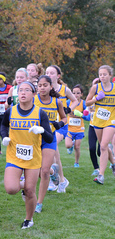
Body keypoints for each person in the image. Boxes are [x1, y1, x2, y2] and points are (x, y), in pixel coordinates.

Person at [0, 81, 54, 229]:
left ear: (33, 94)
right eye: (20, 90)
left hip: (32, 158)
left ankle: (28, 219)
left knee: (30, 191)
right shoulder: (10, 111)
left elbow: (50, 137)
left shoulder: (40, 113)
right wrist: (4, 136)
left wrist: (42, 130)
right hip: (14, 156)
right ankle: (22, 184)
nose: (22, 93)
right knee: (11, 189)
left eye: (27, 90)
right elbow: (3, 125)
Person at [33, 75, 67, 213]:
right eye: (40, 85)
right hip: (34, 139)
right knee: (38, 171)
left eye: (45, 85)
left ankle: (39, 203)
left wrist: (60, 123)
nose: (42, 88)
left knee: (44, 170)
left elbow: (65, 117)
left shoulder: (57, 102)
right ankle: (54, 172)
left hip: (49, 139)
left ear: (51, 86)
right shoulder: (33, 100)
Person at [45, 65, 77, 193]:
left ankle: (56, 179)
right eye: (47, 72)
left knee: (52, 147)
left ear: (58, 76)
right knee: (53, 150)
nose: (48, 74)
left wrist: (68, 109)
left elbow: (75, 101)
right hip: (49, 125)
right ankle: (61, 180)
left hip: (61, 125)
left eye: (51, 73)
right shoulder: (44, 89)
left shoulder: (64, 89)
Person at [86, 65, 115, 185]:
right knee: (104, 147)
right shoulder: (95, 87)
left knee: (103, 146)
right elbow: (87, 102)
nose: (102, 76)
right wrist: (97, 98)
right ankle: (113, 164)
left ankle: (101, 175)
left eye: (104, 74)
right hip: (98, 121)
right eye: (100, 74)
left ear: (110, 75)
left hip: (111, 121)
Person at [65, 84, 86, 167]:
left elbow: (87, 116)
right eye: (73, 93)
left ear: (81, 94)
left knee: (77, 147)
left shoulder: (83, 103)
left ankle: (76, 162)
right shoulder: (68, 102)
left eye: (78, 93)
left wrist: (81, 115)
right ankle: (71, 145)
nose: (75, 95)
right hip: (69, 128)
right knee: (67, 145)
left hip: (79, 129)